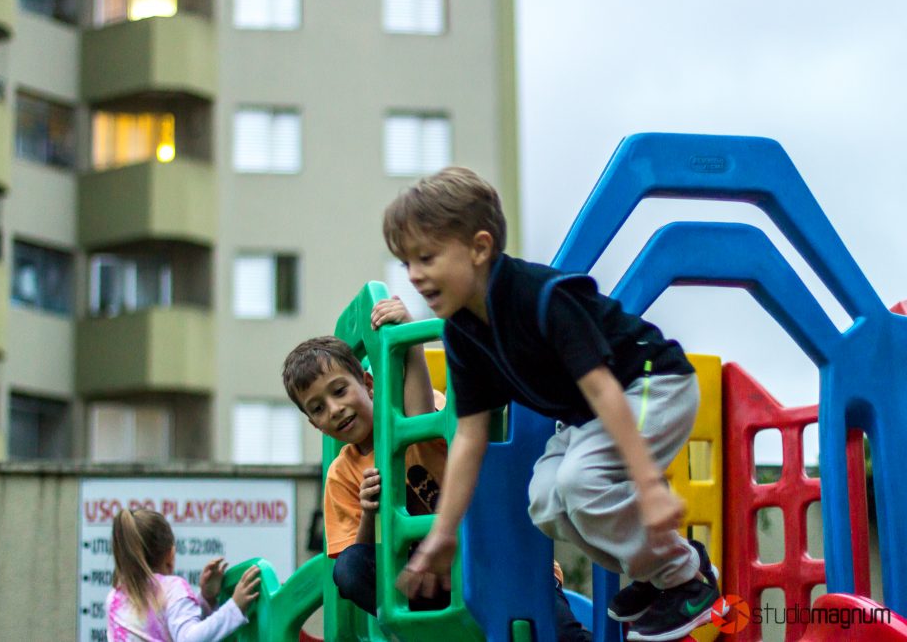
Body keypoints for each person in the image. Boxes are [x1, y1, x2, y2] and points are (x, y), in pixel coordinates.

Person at [383, 167, 723, 642]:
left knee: (579, 481)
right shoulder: (464, 334)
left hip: (650, 386)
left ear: (480, 248)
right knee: (546, 501)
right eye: (407, 264)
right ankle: (656, 574)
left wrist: (648, 484)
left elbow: (604, 389)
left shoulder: (541, 299)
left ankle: (686, 576)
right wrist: (444, 531)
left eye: (427, 258)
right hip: (590, 417)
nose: (416, 276)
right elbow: (469, 436)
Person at [282, 298, 592, 641]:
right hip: (433, 578)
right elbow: (353, 558)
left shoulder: (413, 419)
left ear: (369, 385)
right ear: (314, 424)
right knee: (351, 568)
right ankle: (428, 631)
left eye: (339, 391)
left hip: (500, 560)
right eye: (318, 408)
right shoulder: (343, 474)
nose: (335, 409)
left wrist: (411, 337)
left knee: (561, 634)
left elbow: (421, 413)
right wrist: (370, 512)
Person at [106, 508, 261, 642]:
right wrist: (235, 608)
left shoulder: (115, 598)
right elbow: (188, 638)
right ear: (170, 555)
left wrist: (206, 599)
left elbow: (165, 622)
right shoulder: (171, 588)